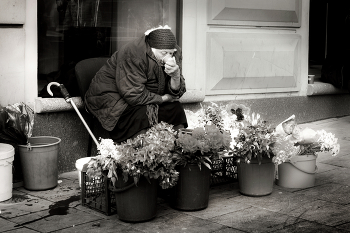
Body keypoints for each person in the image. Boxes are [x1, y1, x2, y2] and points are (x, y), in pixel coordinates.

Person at [85, 25, 188, 143]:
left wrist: (175, 76)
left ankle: (178, 148)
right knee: (142, 115)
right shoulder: (134, 54)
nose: (169, 57)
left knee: (175, 108)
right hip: (111, 96)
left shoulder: (174, 54)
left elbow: (176, 93)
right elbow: (133, 94)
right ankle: (142, 152)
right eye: (164, 53)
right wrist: (164, 98)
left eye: (171, 53)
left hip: (143, 93)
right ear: (152, 49)